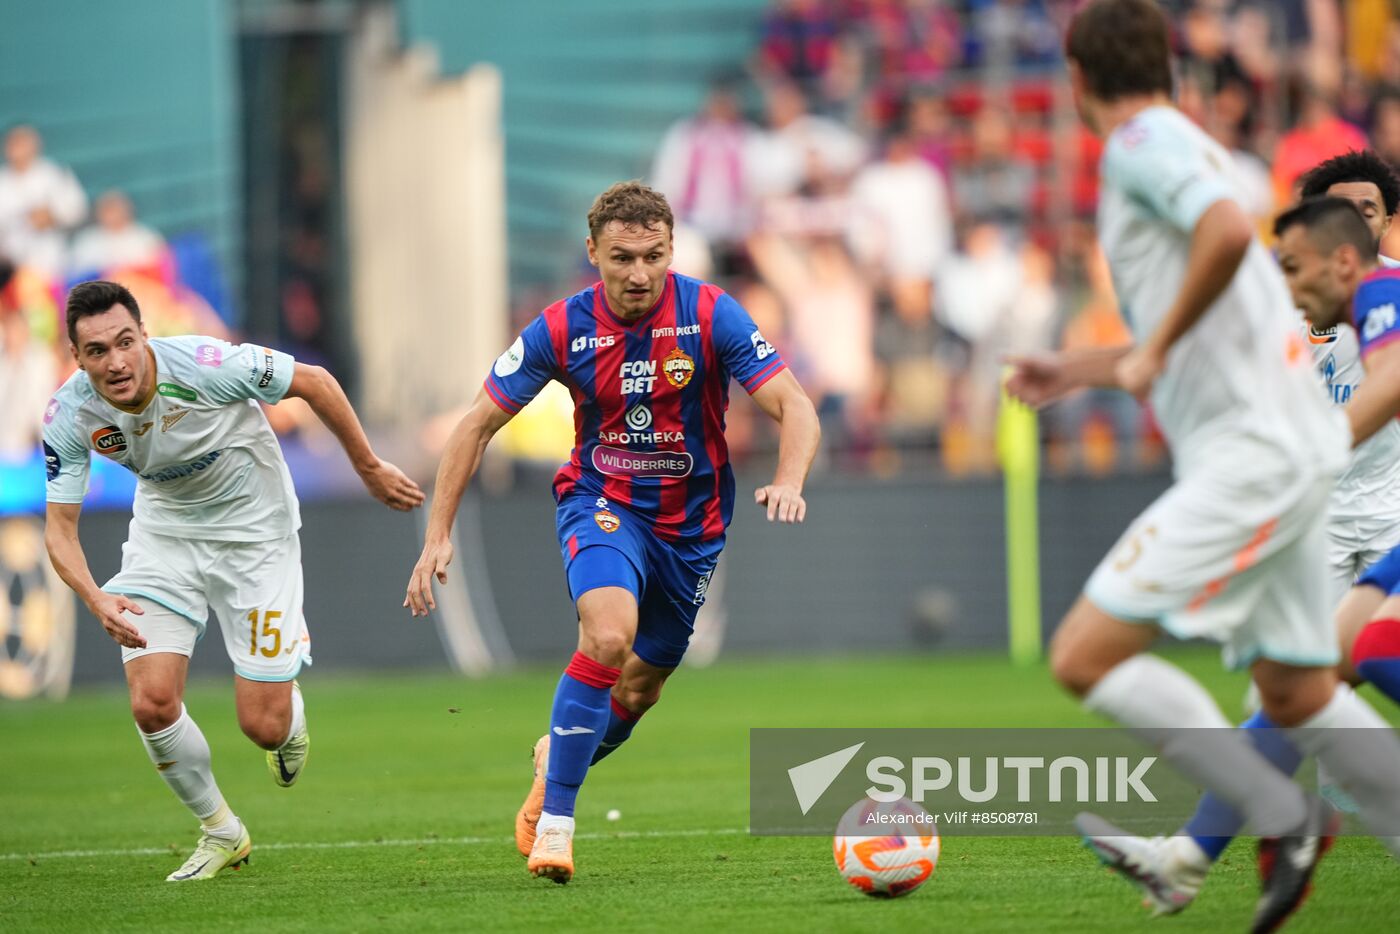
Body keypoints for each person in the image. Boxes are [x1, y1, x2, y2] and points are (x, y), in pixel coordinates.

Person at [1006, 4, 1400, 931]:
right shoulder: (1193, 146)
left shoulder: (1141, 143)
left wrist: (1146, 355)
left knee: (1083, 655)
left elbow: (1225, 234)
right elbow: (1231, 299)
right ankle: (1236, 836)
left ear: (1075, 80)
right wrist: (1092, 366)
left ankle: (1283, 817)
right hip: (1294, 452)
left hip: (1253, 459)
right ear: (1171, 67)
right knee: (1297, 691)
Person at [404, 181, 820, 884]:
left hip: (692, 528)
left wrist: (790, 478)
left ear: (671, 250)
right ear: (593, 251)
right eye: (622, 257)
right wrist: (437, 533)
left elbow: (794, 404)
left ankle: (552, 761)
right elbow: (476, 423)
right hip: (603, 504)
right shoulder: (561, 328)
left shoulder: (711, 314)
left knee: (637, 690)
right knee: (605, 634)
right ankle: (558, 827)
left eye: (653, 256)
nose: (638, 274)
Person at [1075, 149, 1400, 916]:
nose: (1358, 227)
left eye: (1371, 212)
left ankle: (1192, 857)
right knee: (1296, 690)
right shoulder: (1291, 303)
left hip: (1393, 513)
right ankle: (1186, 859)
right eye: (1341, 213)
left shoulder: (1388, 293)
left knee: (1339, 670)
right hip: (1319, 521)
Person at [43, 280, 423, 881]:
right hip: (164, 539)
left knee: (262, 725)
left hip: (256, 537)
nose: (115, 362)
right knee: (151, 701)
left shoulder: (204, 363)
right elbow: (59, 529)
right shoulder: (69, 414)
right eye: (96, 351)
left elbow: (315, 382)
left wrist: (368, 467)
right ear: (77, 357)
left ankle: (288, 711)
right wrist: (95, 598)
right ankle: (221, 831)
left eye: (124, 342)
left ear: (144, 335)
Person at [0, 125, 87, 276]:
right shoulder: (3, 180)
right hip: (12, 268)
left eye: (22, 143)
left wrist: (51, 216)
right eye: (13, 143)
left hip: (52, 263)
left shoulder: (52, 173)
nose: (17, 148)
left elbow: (76, 210)